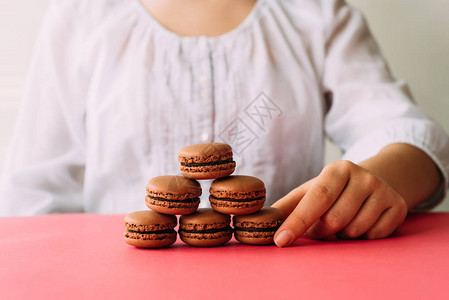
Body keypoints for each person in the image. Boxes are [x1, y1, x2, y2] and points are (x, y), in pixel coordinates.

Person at [1, 0, 448, 248]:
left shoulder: (317, 16)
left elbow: (404, 131)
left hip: (283, 276)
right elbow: (33, 192)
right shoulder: (82, 17)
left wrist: (382, 177)